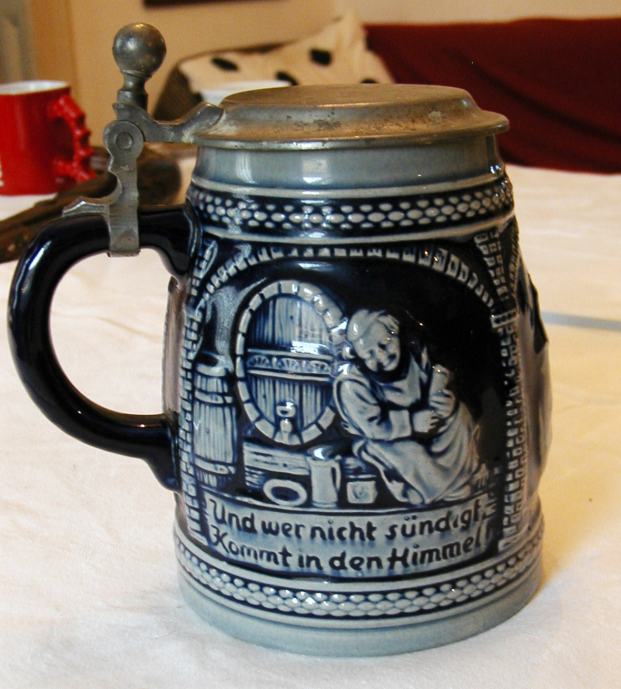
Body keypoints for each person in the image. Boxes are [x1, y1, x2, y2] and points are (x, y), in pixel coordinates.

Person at [333, 309, 482, 505]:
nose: (381, 356)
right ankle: (442, 490)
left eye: (384, 344)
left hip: (426, 425)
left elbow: (434, 384)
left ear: (395, 332)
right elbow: (372, 426)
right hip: (382, 439)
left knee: (460, 416)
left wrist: (446, 405)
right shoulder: (352, 383)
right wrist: (411, 422)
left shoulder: (415, 355)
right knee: (407, 450)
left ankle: (463, 476)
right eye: (369, 355)